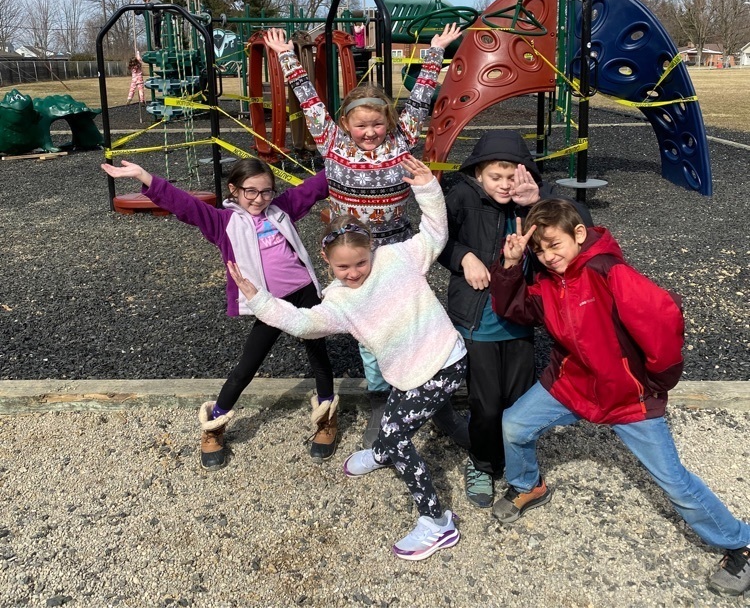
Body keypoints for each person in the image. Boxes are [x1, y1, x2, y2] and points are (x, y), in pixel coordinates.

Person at [490, 199, 750, 597]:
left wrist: (654, 381)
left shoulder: (609, 272)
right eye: (539, 251)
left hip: (628, 397)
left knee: (674, 481)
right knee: (515, 423)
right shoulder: (546, 280)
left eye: (554, 245)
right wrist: (511, 266)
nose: (548, 257)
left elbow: (663, 317)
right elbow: (516, 310)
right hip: (573, 385)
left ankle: (739, 543)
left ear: (579, 235)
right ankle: (528, 484)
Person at [228, 156, 466, 561]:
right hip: (407, 372)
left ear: (372, 248)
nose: (354, 272)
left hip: (443, 360)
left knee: (393, 432)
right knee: (395, 417)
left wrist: (427, 189)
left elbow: (434, 232)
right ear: (326, 262)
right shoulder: (338, 300)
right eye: (343, 267)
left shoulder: (398, 257)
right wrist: (260, 300)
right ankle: (383, 453)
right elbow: (303, 324)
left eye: (360, 262)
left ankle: (437, 521)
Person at [264, 24, 469, 450]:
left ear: (388, 122)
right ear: (346, 125)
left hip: (397, 252)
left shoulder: (403, 138)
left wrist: (434, 53)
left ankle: (435, 403)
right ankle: (382, 400)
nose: (370, 132)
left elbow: (421, 97)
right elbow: (309, 99)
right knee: (370, 332)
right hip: (352, 255)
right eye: (361, 125)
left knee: (413, 321)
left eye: (376, 124)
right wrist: (287, 57)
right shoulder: (332, 143)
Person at [100, 158, 339, 470]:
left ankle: (326, 417)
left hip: (304, 291)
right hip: (268, 303)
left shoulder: (282, 208)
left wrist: (353, 160)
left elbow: (316, 186)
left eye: (266, 192)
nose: (259, 199)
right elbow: (183, 204)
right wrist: (145, 176)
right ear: (234, 190)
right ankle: (214, 425)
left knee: (318, 354)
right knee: (247, 365)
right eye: (250, 191)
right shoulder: (223, 222)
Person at [438, 131, 592, 509]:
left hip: (520, 320)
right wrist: (463, 258)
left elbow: (584, 227)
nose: (505, 185)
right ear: (478, 175)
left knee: (518, 400)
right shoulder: (462, 197)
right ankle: (481, 461)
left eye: (513, 177)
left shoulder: (537, 200)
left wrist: (537, 199)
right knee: (486, 403)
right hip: (477, 321)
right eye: (496, 177)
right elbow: (436, 239)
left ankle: (513, 460)